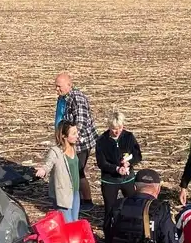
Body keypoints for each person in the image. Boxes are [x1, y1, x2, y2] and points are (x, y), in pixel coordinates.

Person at [54, 72, 97, 212]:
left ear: (69, 85)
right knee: (72, 172)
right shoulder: (64, 98)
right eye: (56, 86)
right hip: (69, 141)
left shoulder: (77, 98)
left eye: (59, 86)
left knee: (78, 172)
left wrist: (70, 142)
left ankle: (87, 201)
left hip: (80, 143)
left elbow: (81, 124)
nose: (57, 89)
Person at [95, 109, 142, 234]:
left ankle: (133, 230)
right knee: (110, 209)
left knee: (132, 205)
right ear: (109, 127)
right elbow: (102, 163)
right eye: (114, 128)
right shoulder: (102, 141)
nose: (117, 131)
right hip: (110, 180)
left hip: (128, 178)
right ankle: (109, 234)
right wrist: (116, 169)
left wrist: (129, 163)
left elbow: (137, 155)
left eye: (120, 128)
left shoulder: (129, 137)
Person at [34, 120, 81, 223]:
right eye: (73, 134)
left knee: (75, 221)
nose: (77, 136)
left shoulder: (74, 148)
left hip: (75, 191)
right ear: (64, 136)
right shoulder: (55, 151)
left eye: (77, 132)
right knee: (67, 223)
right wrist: (43, 170)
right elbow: (48, 165)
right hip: (63, 194)